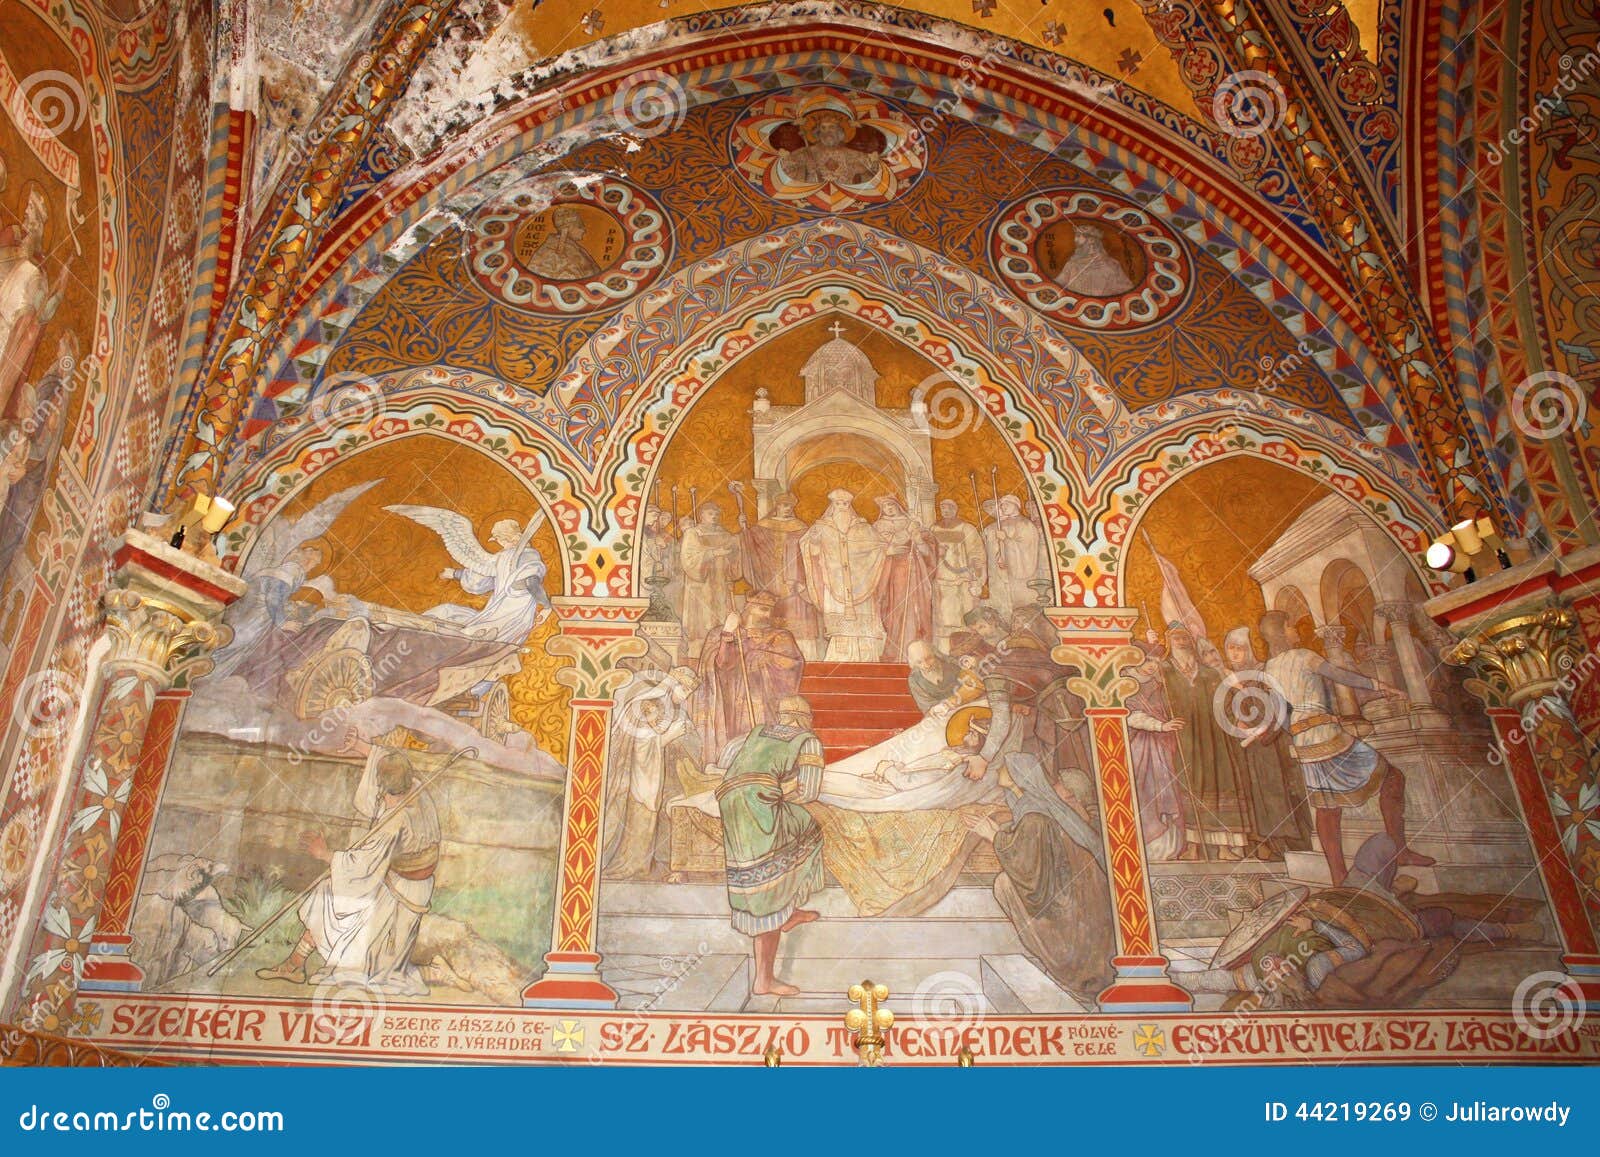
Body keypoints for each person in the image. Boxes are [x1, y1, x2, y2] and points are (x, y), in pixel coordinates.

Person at [1257, 611, 1430, 883]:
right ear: (1280, 631)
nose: (1296, 631)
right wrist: (1381, 686)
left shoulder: (1269, 669)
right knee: (1393, 777)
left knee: (1327, 807)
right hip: (1327, 735)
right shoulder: (1303, 656)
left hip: (1305, 743)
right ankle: (1401, 850)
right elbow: (1339, 675)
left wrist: (1271, 734)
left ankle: (1339, 877)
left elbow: (1281, 715)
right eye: (1291, 626)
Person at [257, 750, 440, 995]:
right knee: (326, 893)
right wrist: (362, 746)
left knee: (338, 910)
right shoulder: (417, 788)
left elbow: (362, 866)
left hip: (400, 892)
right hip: (403, 883)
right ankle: (295, 964)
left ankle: (296, 965)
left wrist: (324, 854)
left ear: (382, 784)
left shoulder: (394, 821)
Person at [962, 734, 1115, 1005]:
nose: (999, 770)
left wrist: (993, 836)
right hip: (1070, 895)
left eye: (1006, 767)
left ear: (1020, 777)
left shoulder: (1034, 817)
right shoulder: (1033, 810)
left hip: (1070, 906)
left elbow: (1031, 872)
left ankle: (1063, 960)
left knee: (1005, 884)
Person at [714, 695, 827, 996]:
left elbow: (728, 762)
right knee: (808, 834)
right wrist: (783, 790)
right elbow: (810, 792)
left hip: (729, 802)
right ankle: (764, 979)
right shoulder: (807, 740)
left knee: (756, 874)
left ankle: (788, 910)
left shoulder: (756, 732)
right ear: (805, 718)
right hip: (760, 805)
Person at [1162, 626, 1251, 861]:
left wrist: (1237, 720)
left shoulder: (1208, 673)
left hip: (1215, 739)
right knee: (1190, 789)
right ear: (1168, 642)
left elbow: (1225, 701)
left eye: (1185, 638)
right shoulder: (1164, 671)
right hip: (1184, 738)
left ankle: (1224, 847)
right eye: (1176, 638)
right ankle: (1193, 846)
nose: (1182, 642)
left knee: (1221, 787)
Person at [1222, 626, 1312, 857]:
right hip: (1246, 748)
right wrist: (1236, 723)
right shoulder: (1228, 680)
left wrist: (1242, 691)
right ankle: (1270, 841)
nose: (1234, 654)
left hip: (1271, 744)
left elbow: (1277, 704)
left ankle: (1293, 839)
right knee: (1256, 793)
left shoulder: (1263, 673)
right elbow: (1226, 713)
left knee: (1280, 789)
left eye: (1239, 649)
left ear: (1249, 650)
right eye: (1230, 649)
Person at [604, 667, 702, 879]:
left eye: (689, 693)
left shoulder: (673, 709)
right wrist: (671, 735)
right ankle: (633, 866)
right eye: (684, 691)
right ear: (672, 684)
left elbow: (688, 741)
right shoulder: (649, 705)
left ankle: (648, 864)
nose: (685, 697)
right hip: (644, 777)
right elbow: (643, 745)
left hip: (664, 776)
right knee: (643, 818)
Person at [694, 591, 805, 756]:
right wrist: (727, 635)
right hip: (729, 699)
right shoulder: (722, 633)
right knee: (733, 741)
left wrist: (766, 656)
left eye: (769, 610)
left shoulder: (780, 636)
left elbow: (793, 664)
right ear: (748, 607)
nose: (766, 615)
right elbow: (720, 665)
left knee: (760, 737)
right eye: (761, 609)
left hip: (762, 698)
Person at [0, 181, 66, 422]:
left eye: (30, 214)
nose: (25, 219)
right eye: (26, 212)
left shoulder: (37, 273)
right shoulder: (16, 250)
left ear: (38, 225)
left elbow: (31, 321)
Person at [733, 488, 821, 658]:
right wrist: (744, 530)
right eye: (784, 505)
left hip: (795, 582)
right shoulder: (764, 526)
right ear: (777, 506)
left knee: (797, 613)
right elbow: (750, 543)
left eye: (790, 506)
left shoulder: (801, 528)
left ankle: (804, 656)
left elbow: (808, 552)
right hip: (771, 579)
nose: (787, 509)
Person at [801, 488, 886, 661]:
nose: (842, 507)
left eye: (845, 504)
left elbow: (877, 546)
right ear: (832, 505)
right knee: (839, 621)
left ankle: (865, 657)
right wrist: (814, 541)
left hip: (860, 582)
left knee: (863, 622)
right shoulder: (822, 526)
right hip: (834, 582)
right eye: (838, 503)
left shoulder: (861, 526)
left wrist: (884, 548)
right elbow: (810, 547)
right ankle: (840, 658)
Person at [1126, 643, 1187, 862]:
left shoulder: (1160, 683)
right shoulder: (1126, 682)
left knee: (1167, 789)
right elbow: (1129, 714)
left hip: (1162, 746)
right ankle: (1151, 845)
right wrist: (1159, 726)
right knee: (1147, 792)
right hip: (1140, 746)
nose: (1152, 666)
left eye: (1155, 661)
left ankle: (1171, 846)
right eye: (1147, 660)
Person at [872, 494, 935, 661]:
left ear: (898, 505)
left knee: (916, 608)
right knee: (895, 608)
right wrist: (889, 550)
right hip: (891, 572)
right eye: (885, 506)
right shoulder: (878, 526)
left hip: (913, 570)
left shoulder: (911, 523)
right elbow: (873, 550)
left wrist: (918, 539)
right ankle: (896, 652)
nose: (889, 508)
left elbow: (928, 553)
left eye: (891, 504)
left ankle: (917, 651)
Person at [679, 503, 741, 657]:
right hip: (701, 582)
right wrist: (713, 553)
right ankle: (699, 650)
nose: (713, 516)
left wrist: (731, 555)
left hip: (720, 581)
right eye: (709, 513)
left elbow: (735, 554)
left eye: (715, 514)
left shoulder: (725, 534)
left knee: (720, 614)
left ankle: (720, 649)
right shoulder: (694, 533)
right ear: (701, 515)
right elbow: (689, 557)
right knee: (702, 617)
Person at [929, 499, 985, 651]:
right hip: (941, 578)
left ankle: (966, 649)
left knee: (964, 613)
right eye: (943, 507)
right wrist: (936, 552)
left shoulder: (967, 528)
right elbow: (928, 551)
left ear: (955, 509)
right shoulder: (934, 528)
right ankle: (944, 649)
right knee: (944, 615)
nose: (946, 510)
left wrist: (975, 562)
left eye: (949, 507)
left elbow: (976, 550)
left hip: (962, 577)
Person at [981, 495, 1048, 619]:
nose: (1003, 507)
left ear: (1015, 505)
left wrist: (1006, 540)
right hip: (998, 574)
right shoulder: (996, 525)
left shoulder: (1025, 524)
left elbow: (1026, 547)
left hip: (1018, 573)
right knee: (1001, 604)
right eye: (1001, 505)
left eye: (1006, 504)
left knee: (1020, 605)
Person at [1052, 221, 1135, 297]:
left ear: (1091, 240)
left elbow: (1127, 290)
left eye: (1078, 236)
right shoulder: (1072, 264)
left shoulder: (1112, 264)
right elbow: (1057, 285)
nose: (1075, 240)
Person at [522, 206, 602, 280]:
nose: (584, 230)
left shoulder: (575, 249)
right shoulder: (550, 251)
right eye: (580, 226)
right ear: (567, 228)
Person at [906, 640, 961, 715]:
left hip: (963, 707)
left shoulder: (952, 665)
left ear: (934, 654)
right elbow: (927, 706)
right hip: (941, 715)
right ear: (912, 662)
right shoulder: (914, 679)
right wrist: (936, 709)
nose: (926, 665)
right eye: (919, 662)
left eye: (929, 658)